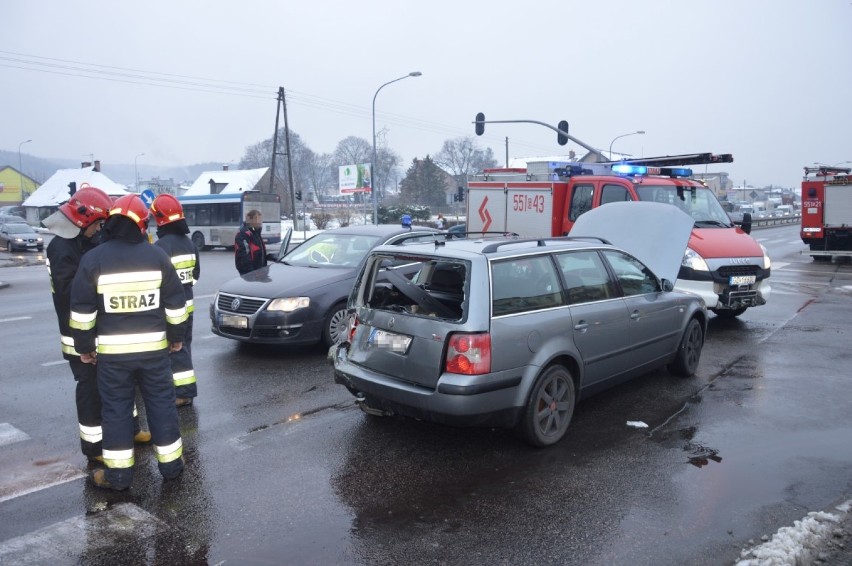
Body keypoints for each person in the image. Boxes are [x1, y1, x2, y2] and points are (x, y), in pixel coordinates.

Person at [70, 194, 188, 491]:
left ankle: (118, 478)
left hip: (113, 358)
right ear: (141, 224)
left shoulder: (93, 259)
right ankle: (172, 467)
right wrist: (176, 339)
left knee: (117, 412)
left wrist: (85, 348)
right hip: (154, 354)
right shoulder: (156, 256)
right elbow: (176, 305)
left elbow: (82, 311)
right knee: (161, 406)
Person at [44, 185, 114, 462]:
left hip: (93, 330)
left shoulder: (80, 241)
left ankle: (119, 433)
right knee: (89, 390)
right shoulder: (61, 248)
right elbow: (68, 293)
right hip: (77, 336)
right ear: (83, 219)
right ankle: (94, 448)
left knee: (106, 386)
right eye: (97, 224)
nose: (99, 230)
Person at [150, 194, 200, 408]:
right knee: (184, 346)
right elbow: (195, 275)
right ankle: (182, 389)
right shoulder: (189, 244)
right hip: (188, 304)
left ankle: (183, 393)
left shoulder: (161, 246)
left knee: (175, 349)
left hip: (170, 308)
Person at [234, 209, 267, 275]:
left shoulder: (256, 233)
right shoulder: (243, 234)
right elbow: (244, 258)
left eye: (260, 219)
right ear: (250, 220)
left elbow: (259, 254)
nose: (260, 222)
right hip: (250, 275)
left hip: (260, 274)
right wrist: (251, 275)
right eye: (256, 219)